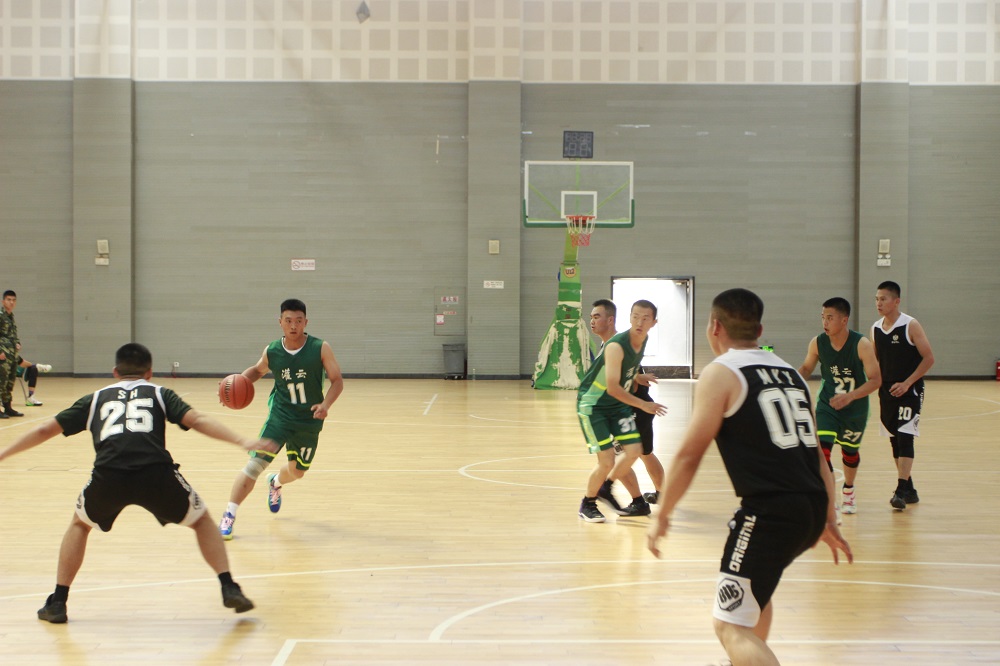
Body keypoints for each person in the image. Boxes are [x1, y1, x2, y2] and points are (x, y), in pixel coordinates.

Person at [0, 343, 276, 623]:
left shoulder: (94, 398)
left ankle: (58, 601)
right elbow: (197, 420)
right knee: (202, 520)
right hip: (155, 474)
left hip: (109, 475)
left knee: (80, 524)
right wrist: (242, 440)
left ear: (115, 372)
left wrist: (3, 453)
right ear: (149, 372)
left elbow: (46, 428)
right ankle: (229, 585)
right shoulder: (159, 392)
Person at [647, 288, 852, 666]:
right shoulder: (792, 373)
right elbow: (819, 459)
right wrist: (827, 517)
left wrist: (662, 513)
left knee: (730, 627)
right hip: (808, 507)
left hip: (769, 513)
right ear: (759, 329)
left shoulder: (722, 373)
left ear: (714, 328)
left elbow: (690, 453)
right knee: (754, 596)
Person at [219, 298, 344, 539]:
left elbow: (337, 380)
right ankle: (229, 514)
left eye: (298, 321)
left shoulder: (320, 347)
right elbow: (256, 371)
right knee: (254, 465)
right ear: (280, 323)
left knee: (297, 472)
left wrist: (326, 404)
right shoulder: (273, 350)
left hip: (308, 421)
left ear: (306, 322)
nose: (293, 325)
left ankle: (275, 482)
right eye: (288, 321)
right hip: (280, 417)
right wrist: (231, 385)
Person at [577, 299, 668, 523]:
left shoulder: (629, 342)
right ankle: (599, 498)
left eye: (596, 316)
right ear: (629, 318)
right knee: (621, 457)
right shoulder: (615, 345)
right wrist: (638, 378)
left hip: (627, 406)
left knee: (635, 453)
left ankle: (614, 492)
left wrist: (638, 383)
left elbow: (621, 381)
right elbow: (617, 379)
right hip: (607, 405)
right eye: (636, 317)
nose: (592, 321)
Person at [798, 297, 881, 516]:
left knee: (850, 453)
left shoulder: (861, 344)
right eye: (823, 317)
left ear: (844, 320)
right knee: (823, 450)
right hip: (828, 404)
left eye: (830, 318)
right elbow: (806, 368)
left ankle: (849, 490)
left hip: (855, 408)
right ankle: (829, 499)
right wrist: (791, 381)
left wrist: (851, 396)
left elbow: (875, 380)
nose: (824, 322)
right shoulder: (817, 342)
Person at [871, 280, 935, 510]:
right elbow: (876, 362)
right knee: (894, 440)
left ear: (896, 301)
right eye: (877, 299)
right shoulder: (876, 328)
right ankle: (910, 489)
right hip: (886, 390)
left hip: (910, 389)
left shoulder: (911, 325)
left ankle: (899, 490)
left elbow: (929, 358)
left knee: (905, 435)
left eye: (883, 299)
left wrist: (908, 383)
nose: (878, 303)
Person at [0, 289, 25, 418]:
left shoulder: (11, 317)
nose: (11, 302)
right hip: (2, 356)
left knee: (9, 382)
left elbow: (12, 335)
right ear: (3, 301)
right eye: (9, 300)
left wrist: (17, 343)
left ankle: (7, 406)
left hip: (11, 356)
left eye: (14, 300)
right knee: (1, 382)